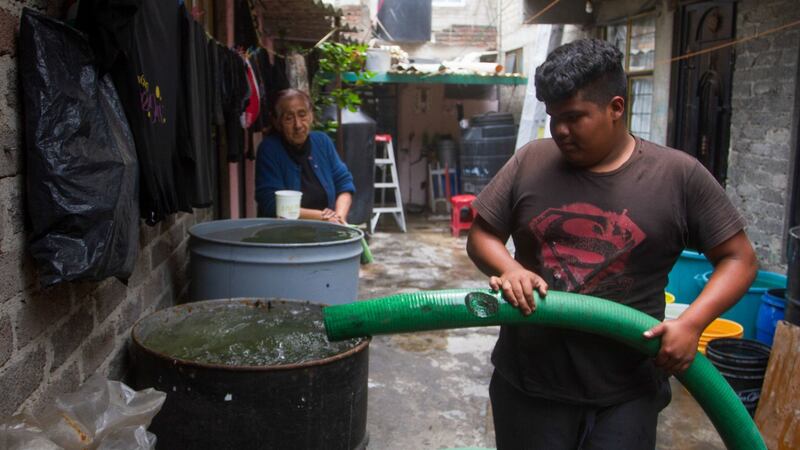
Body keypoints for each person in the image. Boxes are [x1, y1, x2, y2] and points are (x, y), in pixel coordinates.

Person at [466, 38, 757, 450]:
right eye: (553, 117)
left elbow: (740, 259)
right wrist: (510, 269)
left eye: (574, 117)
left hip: (627, 391)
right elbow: (482, 235)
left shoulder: (677, 176)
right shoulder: (530, 161)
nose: (560, 131)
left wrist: (692, 323)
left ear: (616, 107)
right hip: (529, 384)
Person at [255, 89, 355, 223]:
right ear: (277, 122)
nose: (298, 125)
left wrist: (339, 217)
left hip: (326, 230)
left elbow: (344, 183)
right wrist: (323, 217)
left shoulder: (322, 142)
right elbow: (271, 204)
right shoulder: (269, 149)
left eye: (302, 115)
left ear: (311, 116)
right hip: (283, 233)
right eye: (289, 118)